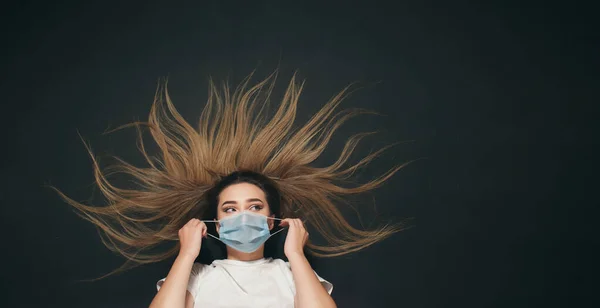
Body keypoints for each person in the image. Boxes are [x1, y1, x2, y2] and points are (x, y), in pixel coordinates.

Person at [54, 71, 409, 307]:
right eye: (229, 209)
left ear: (273, 220)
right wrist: (186, 254)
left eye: (255, 207)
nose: (243, 216)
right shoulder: (198, 277)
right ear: (216, 224)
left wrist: (297, 254)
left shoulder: (291, 275)